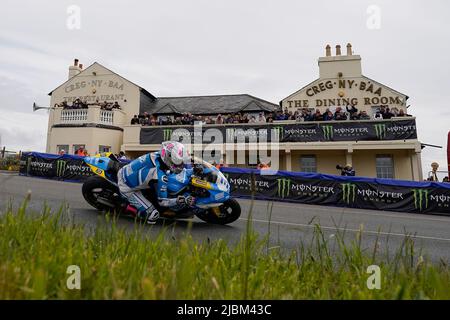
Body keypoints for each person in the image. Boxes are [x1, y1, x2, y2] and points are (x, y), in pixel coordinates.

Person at [117, 141, 195, 224]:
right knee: (153, 215)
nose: (180, 166)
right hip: (126, 187)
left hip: (124, 170)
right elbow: (162, 202)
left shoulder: (157, 155)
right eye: (178, 164)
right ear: (168, 159)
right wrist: (181, 200)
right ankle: (128, 208)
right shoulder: (160, 177)